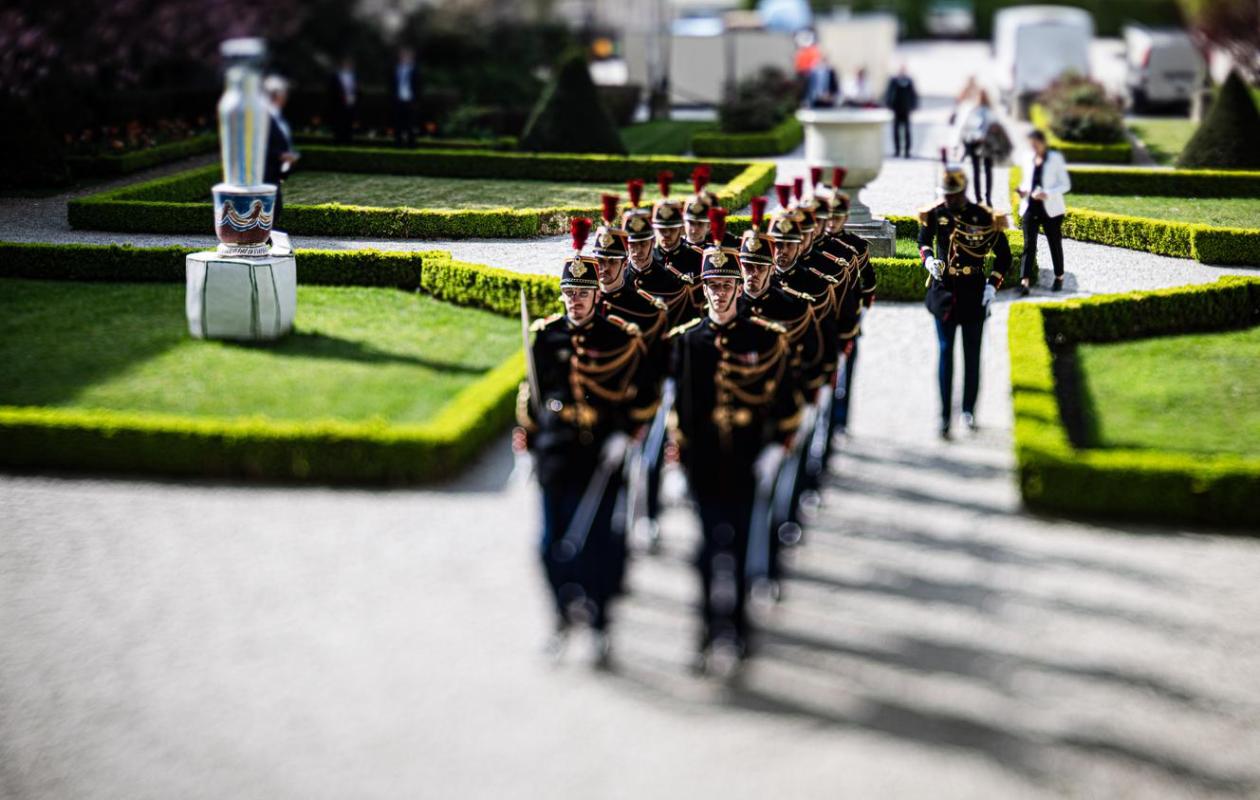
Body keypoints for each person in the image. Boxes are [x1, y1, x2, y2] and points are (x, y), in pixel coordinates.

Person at [514, 219, 655, 667]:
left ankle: (599, 624)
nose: (575, 300)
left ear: (597, 296)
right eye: (569, 293)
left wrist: (626, 432)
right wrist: (527, 439)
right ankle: (561, 613)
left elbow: (643, 392)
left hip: (598, 457)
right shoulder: (547, 335)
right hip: (555, 456)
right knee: (548, 545)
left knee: (596, 546)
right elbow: (532, 394)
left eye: (582, 293)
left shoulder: (620, 337)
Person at [666, 216, 800, 672]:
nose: (719, 293)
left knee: (742, 550)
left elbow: (786, 402)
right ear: (703, 289)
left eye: (726, 285)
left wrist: (775, 448)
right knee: (707, 552)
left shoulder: (765, 339)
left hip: (746, 461)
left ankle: (738, 630)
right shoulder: (689, 342)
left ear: (738, 287)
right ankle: (706, 630)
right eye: (712, 286)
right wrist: (678, 462)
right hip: (705, 465)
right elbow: (682, 411)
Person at [736, 197, 821, 596]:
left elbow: (813, 357)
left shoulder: (793, 308)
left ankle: (767, 572)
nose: (751, 275)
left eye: (759, 267)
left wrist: (805, 402)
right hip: (735, 422)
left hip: (777, 417)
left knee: (772, 502)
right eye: (746, 266)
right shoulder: (728, 309)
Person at [917, 155, 1012, 439]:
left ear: (963, 191)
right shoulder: (936, 213)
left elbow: (1004, 256)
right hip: (944, 292)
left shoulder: (983, 217)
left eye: (953, 195)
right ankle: (945, 416)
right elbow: (923, 240)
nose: (948, 199)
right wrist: (928, 260)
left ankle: (968, 410)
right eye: (945, 194)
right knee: (946, 353)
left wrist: (992, 285)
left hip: (973, 293)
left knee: (972, 355)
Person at [1016, 129, 1071, 294]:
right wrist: (1023, 191)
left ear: (1043, 143)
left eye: (1035, 144)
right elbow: (1027, 181)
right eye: (1031, 144)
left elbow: (1066, 185)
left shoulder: (1055, 158)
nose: (1033, 147)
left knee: (1054, 244)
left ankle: (1059, 277)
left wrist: (1048, 193)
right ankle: (1024, 281)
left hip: (1051, 210)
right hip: (1030, 206)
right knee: (1029, 245)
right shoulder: (1027, 157)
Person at [263, 75, 298, 227]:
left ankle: (266, 236)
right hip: (266, 172)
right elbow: (261, 146)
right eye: (284, 94)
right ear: (277, 96)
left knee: (275, 208)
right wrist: (281, 155)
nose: (286, 98)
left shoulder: (275, 115)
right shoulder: (265, 116)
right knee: (272, 209)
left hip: (274, 172)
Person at [958, 89, 996, 206]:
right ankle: (979, 197)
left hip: (986, 143)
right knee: (977, 171)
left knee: (985, 171)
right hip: (976, 142)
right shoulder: (974, 110)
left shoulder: (989, 110)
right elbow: (966, 127)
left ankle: (986, 197)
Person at [884, 64, 918, 158]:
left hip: (906, 109)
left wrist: (913, 106)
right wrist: (888, 104)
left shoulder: (909, 81)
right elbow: (889, 93)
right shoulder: (893, 80)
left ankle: (907, 151)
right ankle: (897, 150)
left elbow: (913, 94)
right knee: (896, 131)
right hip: (896, 109)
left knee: (907, 131)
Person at [390, 47, 419, 147]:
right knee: (398, 123)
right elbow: (391, 85)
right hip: (398, 100)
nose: (405, 58)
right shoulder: (396, 69)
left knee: (411, 124)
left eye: (407, 56)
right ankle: (398, 143)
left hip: (410, 100)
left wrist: (417, 100)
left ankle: (411, 143)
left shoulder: (415, 70)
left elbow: (419, 86)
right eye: (403, 56)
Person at [328, 56, 357, 145]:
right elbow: (332, 91)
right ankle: (338, 141)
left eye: (349, 64)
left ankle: (348, 140)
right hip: (338, 105)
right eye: (346, 64)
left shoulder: (353, 76)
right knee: (339, 123)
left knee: (349, 124)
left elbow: (355, 89)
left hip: (350, 103)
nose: (348, 65)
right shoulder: (335, 76)